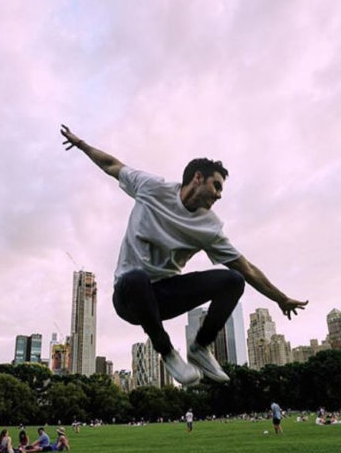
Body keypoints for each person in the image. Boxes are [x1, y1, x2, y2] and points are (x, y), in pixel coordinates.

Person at [60, 125, 308, 386]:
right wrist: (82, 145)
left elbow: (247, 269)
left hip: (165, 297)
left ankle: (200, 348)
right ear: (198, 177)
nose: (219, 195)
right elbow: (112, 165)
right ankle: (167, 352)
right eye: (217, 186)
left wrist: (281, 299)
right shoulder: (151, 187)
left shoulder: (209, 227)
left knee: (233, 280)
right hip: (129, 298)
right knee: (136, 278)